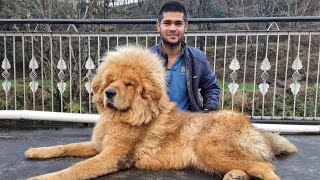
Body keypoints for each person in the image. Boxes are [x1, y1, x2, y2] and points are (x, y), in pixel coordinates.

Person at [150, 1, 220, 112]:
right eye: (167, 23)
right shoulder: (146, 60)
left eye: (178, 23)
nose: (173, 29)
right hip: (155, 123)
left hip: (188, 124)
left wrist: (207, 113)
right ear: (158, 26)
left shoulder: (198, 59)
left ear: (185, 26)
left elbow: (211, 88)